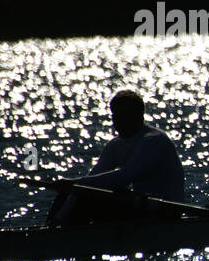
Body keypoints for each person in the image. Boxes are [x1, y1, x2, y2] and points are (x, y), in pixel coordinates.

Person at [48, 89, 186, 224]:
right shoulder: (115, 145)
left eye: (124, 115)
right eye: (115, 115)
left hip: (167, 209)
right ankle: (54, 227)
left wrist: (75, 182)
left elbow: (124, 176)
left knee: (82, 190)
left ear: (139, 116)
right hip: (144, 205)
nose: (118, 120)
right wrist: (73, 185)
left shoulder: (153, 140)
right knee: (76, 192)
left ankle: (58, 232)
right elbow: (91, 180)